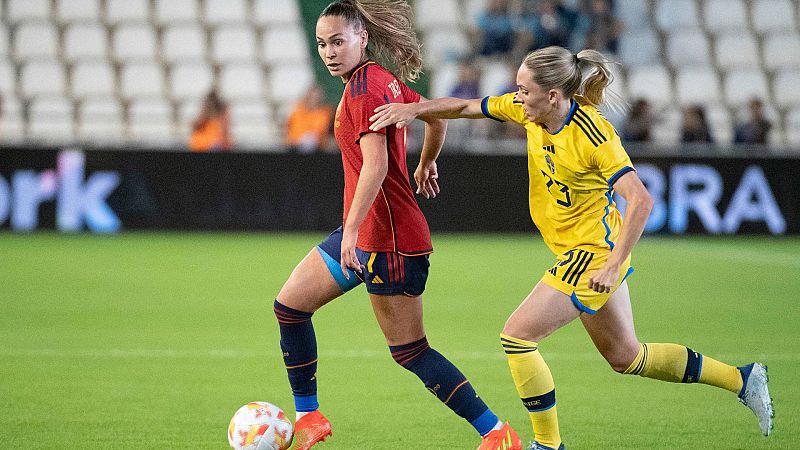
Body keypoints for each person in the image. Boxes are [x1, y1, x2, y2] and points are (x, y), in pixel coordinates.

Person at [369, 45, 774, 449]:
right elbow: (463, 108)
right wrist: (414, 111)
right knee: (627, 357)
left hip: (593, 251)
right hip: (579, 251)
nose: (517, 95)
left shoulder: (593, 134)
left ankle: (548, 445)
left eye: (525, 89)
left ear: (552, 95)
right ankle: (742, 378)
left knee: (517, 336)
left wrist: (613, 265)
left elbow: (641, 200)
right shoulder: (529, 110)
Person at [274, 1, 523, 449]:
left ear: (362, 38)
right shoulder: (375, 81)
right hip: (367, 234)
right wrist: (427, 161)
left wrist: (350, 232)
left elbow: (376, 164)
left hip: (389, 244)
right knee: (290, 307)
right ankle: (309, 416)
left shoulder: (367, 90)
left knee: (410, 351)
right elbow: (432, 113)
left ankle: (496, 433)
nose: (329, 52)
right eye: (322, 44)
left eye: (338, 41)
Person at [286, 85, 334, 153]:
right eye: (313, 97)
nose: (315, 100)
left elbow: (327, 133)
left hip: (319, 149)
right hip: (296, 148)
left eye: (317, 97)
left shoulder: (327, 113)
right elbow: (291, 132)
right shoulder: (297, 111)